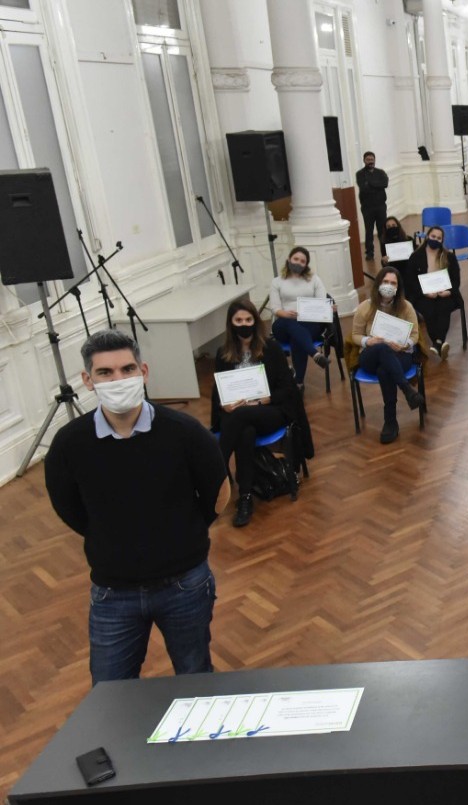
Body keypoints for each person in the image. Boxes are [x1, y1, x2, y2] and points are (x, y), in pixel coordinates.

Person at [44, 330, 229, 683]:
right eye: (105, 373)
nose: (118, 380)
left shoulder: (185, 432)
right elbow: (68, 506)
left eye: (127, 369)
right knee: (109, 692)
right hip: (113, 592)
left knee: (195, 679)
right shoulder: (70, 444)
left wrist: (183, 532)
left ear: (143, 372)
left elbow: (218, 494)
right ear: (87, 380)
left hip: (184, 584)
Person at [211, 300, 312, 527]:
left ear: (255, 322)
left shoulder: (271, 348)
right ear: (231, 324)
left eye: (248, 320)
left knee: (240, 418)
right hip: (239, 413)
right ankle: (245, 498)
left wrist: (265, 399)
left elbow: (287, 389)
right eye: (239, 321)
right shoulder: (223, 353)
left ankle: (216, 468)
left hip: (270, 410)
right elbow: (218, 392)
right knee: (244, 431)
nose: (244, 324)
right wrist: (223, 405)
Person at [352, 266, 425, 444]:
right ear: (378, 283)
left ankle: (390, 421)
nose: (389, 286)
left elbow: (415, 335)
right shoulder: (365, 307)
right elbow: (355, 335)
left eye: (393, 283)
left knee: (385, 370)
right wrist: (367, 341)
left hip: (399, 354)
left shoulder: (406, 307)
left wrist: (403, 344)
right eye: (385, 282)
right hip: (371, 354)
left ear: (398, 287)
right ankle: (407, 389)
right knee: (382, 348)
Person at [268, 246, 332, 389]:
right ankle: (314, 354)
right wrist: (284, 314)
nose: (298, 263)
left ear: (306, 265)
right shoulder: (277, 282)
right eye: (295, 259)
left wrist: (326, 308)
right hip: (284, 322)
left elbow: (321, 303)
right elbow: (274, 308)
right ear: (289, 260)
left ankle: (299, 383)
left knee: (296, 337)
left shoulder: (314, 280)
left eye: (302, 261)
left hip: (310, 323)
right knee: (291, 326)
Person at [402, 225, 462, 360]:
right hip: (423, 294)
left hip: (445, 293)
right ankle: (440, 342)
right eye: (433, 236)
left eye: (439, 238)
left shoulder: (449, 257)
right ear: (427, 236)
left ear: (442, 241)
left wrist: (449, 291)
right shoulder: (416, 256)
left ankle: (437, 342)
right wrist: (425, 293)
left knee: (443, 308)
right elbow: (410, 281)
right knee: (428, 310)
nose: (435, 239)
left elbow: (456, 280)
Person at [356, 151, 389, 260]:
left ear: (375, 160)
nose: (370, 161)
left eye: (372, 159)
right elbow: (363, 187)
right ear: (364, 161)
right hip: (367, 207)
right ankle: (369, 253)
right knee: (369, 231)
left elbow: (385, 183)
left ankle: (384, 252)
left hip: (380, 206)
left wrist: (370, 183)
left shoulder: (381, 172)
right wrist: (377, 185)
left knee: (382, 230)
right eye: (368, 160)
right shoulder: (360, 174)